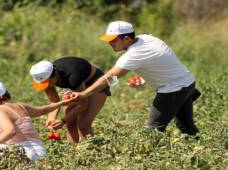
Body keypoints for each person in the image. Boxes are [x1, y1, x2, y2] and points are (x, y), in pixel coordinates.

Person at [70, 21, 201, 137]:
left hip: (173, 91)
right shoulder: (147, 38)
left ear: (126, 38)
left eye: (113, 40)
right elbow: (160, 60)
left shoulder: (133, 54)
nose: (110, 43)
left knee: (152, 132)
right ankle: (199, 151)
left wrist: (84, 93)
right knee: (186, 127)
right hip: (188, 83)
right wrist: (144, 78)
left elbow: (109, 77)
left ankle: (149, 162)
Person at [0, 81, 69, 161]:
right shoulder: (20, 106)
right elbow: (43, 110)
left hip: (24, 153)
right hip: (40, 152)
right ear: (6, 94)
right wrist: (61, 103)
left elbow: (10, 131)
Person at [29, 56, 111, 143]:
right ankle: (74, 151)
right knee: (70, 122)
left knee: (83, 123)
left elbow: (83, 105)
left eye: (47, 83)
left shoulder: (73, 78)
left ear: (55, 75)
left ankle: (90, 152)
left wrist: (62, 121)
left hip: (95, 82)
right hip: (75, 86)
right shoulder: (46, 78)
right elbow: (54, 102)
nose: (47, 87)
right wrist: (51, 119)